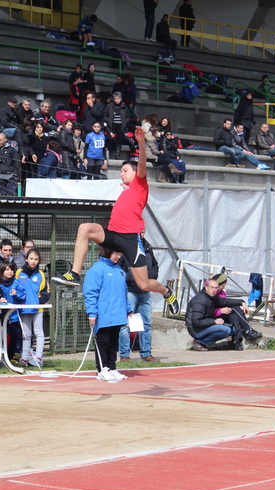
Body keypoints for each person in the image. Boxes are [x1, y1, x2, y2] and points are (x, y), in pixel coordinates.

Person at [61, 128, 181, 315]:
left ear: (135, 173)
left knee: (144, 283)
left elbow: (141, 165)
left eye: (125, 170)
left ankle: (167, 292)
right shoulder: (127, 191)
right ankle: (75, 274)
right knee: (84, 228)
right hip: (113, 235)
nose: (121, 174)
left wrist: (141, 143)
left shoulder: (141, 184)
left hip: (130, 239)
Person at [84, 248, 132, 382]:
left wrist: (128, 309)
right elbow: (90, 293)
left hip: (117, 313)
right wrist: (92, 313)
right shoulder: (97, 269)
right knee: (103, 342)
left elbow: (124, 293)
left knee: (113, 342)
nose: (119, 256)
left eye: (120, 254)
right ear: (108, 252)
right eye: (116, 253)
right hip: (104, 314)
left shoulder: (120, 271)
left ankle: (112, 367)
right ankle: (102, 369)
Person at [118, 235, 158, 362]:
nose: (140, 233)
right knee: (125, 324)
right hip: (130, 291)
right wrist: (129, 278)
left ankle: (146, 353)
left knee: (146, 323)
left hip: (145, 291)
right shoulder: (126, 245)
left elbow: (155, 264)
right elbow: (119, 266)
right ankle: (124, 355)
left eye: (142, 230)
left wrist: (153, 276)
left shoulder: (147, 247)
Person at [186, 275, 250, 351]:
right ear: (206, 287)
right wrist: (214, 321)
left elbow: (225, 301)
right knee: (227, 330)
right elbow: (196, 322)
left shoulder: (212, 297)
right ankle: (199, 342)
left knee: (232, 324)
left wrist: (241, 302)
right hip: (196, 330)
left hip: (204, 325)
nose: (214, 290)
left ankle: (241, 336)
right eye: (212, 287)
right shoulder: (200, 301)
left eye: (216, 288)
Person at [15, 248, 49, 367]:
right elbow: (15, 288)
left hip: (37, 308)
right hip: (24, 308)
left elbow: (46, 292)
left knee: (39, 332)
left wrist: (37, 302)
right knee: (26, 334)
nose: (33, 261)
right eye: (31, 259)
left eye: (36, 259)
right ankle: (24, 358)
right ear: (26, 259)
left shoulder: (41, 274)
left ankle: (38, 357)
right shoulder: (19, 273)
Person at [211, 273, 262, 350]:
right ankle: (247, 329)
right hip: (214, 317)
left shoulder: (222, 293)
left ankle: (236, 341)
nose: (223, 288)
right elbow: (208, 310)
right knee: (234, 307)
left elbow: (225, 302)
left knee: (234, 315)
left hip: (223, 315)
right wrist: (220, 311)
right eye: (222, 286)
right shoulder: (211, 295)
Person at [0, 261, 25, 361]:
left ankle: (14, 356)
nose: (10, 272)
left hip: (14, 316)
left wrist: (16, 294)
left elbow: (23, 296)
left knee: (16, 337)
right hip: (1, 316)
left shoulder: (16, 283)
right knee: (3, 337)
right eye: (7, 270)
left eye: (12, 270)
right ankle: (1, 358)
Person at [105, 92, 135, 160]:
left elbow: (128, 116)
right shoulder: (110, 106)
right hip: (112, 124)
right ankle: (109, 153)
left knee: (119, 140)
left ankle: (117, 155)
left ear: (121, 99)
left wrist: (124, 122)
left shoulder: (124, 107)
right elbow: (105, 115)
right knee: (110, 138)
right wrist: (108, 121)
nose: (116, 100)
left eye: (118, 99)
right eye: (115, 99)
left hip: (120, 125)